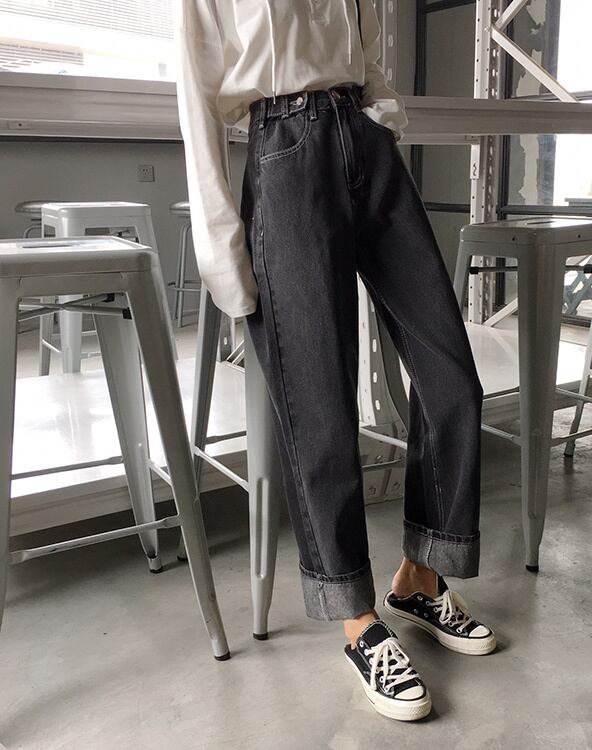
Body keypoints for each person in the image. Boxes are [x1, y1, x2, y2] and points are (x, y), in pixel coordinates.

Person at [174, 0, 495, 721]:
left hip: (365, 143)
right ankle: (356, 618)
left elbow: (367, 46)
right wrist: (220, 244)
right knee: (318, 401)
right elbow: (196, 94)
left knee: (450, 376)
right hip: (283, 151)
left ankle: (421, 577)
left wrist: (379, 115)